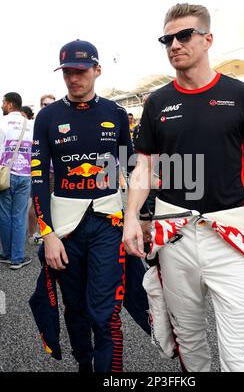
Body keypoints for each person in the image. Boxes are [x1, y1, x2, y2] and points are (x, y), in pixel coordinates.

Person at [123, 3, 244, 372]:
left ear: (207, 39)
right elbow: (144, 167)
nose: (174, 45)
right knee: (190, 346)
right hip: (176, 238)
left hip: (233, 236)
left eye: (184, 35)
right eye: (167, 39)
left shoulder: (240, 94)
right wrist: (131, 219)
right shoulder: (157, 102)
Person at [30, 39, 148, 373]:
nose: (73, 78)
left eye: (80, 71)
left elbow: (130, 165)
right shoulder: (47, 117)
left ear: (97, 70)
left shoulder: (115, 113)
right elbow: (39, 178)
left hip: (108, 223)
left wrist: (144, 215)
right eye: (67, 71)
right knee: (75, 308)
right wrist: (47, 233)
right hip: (64, 228)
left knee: (104, 309)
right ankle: (85, 363)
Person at [0, 92, 33, 269]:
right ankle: (17, 257)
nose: (2, 105)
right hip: (25, 174)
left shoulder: (2, 122)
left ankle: (6, 254)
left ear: (11, 104)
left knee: (5, 214)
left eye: (3, 102)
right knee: (19, 216)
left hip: (6, 174)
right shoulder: (30, 124)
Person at [28, 94, 56, 245]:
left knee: (53, 203)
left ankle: (49, 230)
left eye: (52, 104)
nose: (48, 107)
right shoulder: (34, 124)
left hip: (55, 169)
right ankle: (33, 234)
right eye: (45, 104)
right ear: (40, 106)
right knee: (36, 202)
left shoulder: (58, 122)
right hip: (39, 170)